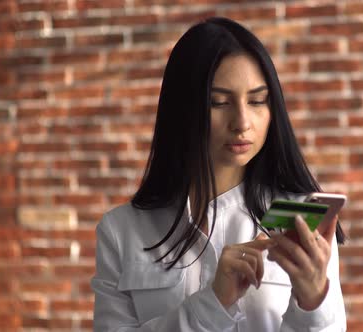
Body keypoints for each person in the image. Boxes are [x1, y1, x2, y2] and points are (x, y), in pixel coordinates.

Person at [91, 17, 346, 331]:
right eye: (219, 102)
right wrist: (212, 304)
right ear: (184, 109)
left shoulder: (299, 217)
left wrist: (313, 304)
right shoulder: (122, 230)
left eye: (257, 101)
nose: (242, 122)